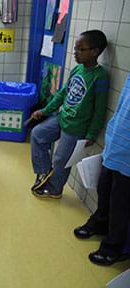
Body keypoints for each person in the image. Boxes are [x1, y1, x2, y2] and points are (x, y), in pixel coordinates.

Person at [30, 30, 109, 198]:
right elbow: (62, 94)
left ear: (95, 52)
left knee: (61, 160)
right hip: (62, 117)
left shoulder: (100, 76)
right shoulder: (77, 70)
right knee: (37, 134)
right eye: (75, 48)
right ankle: (45, 173)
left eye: (81, 49)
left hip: (76, 128)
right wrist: (44, 111)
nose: (75, 53)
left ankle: (55, 189)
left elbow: (100, 109)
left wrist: (92, 134)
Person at [73, 73, 130, 266]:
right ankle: (100, 223)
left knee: (121, 205)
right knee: (104, 190)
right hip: (116, 145)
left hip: (128, 157)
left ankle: (114, 247)